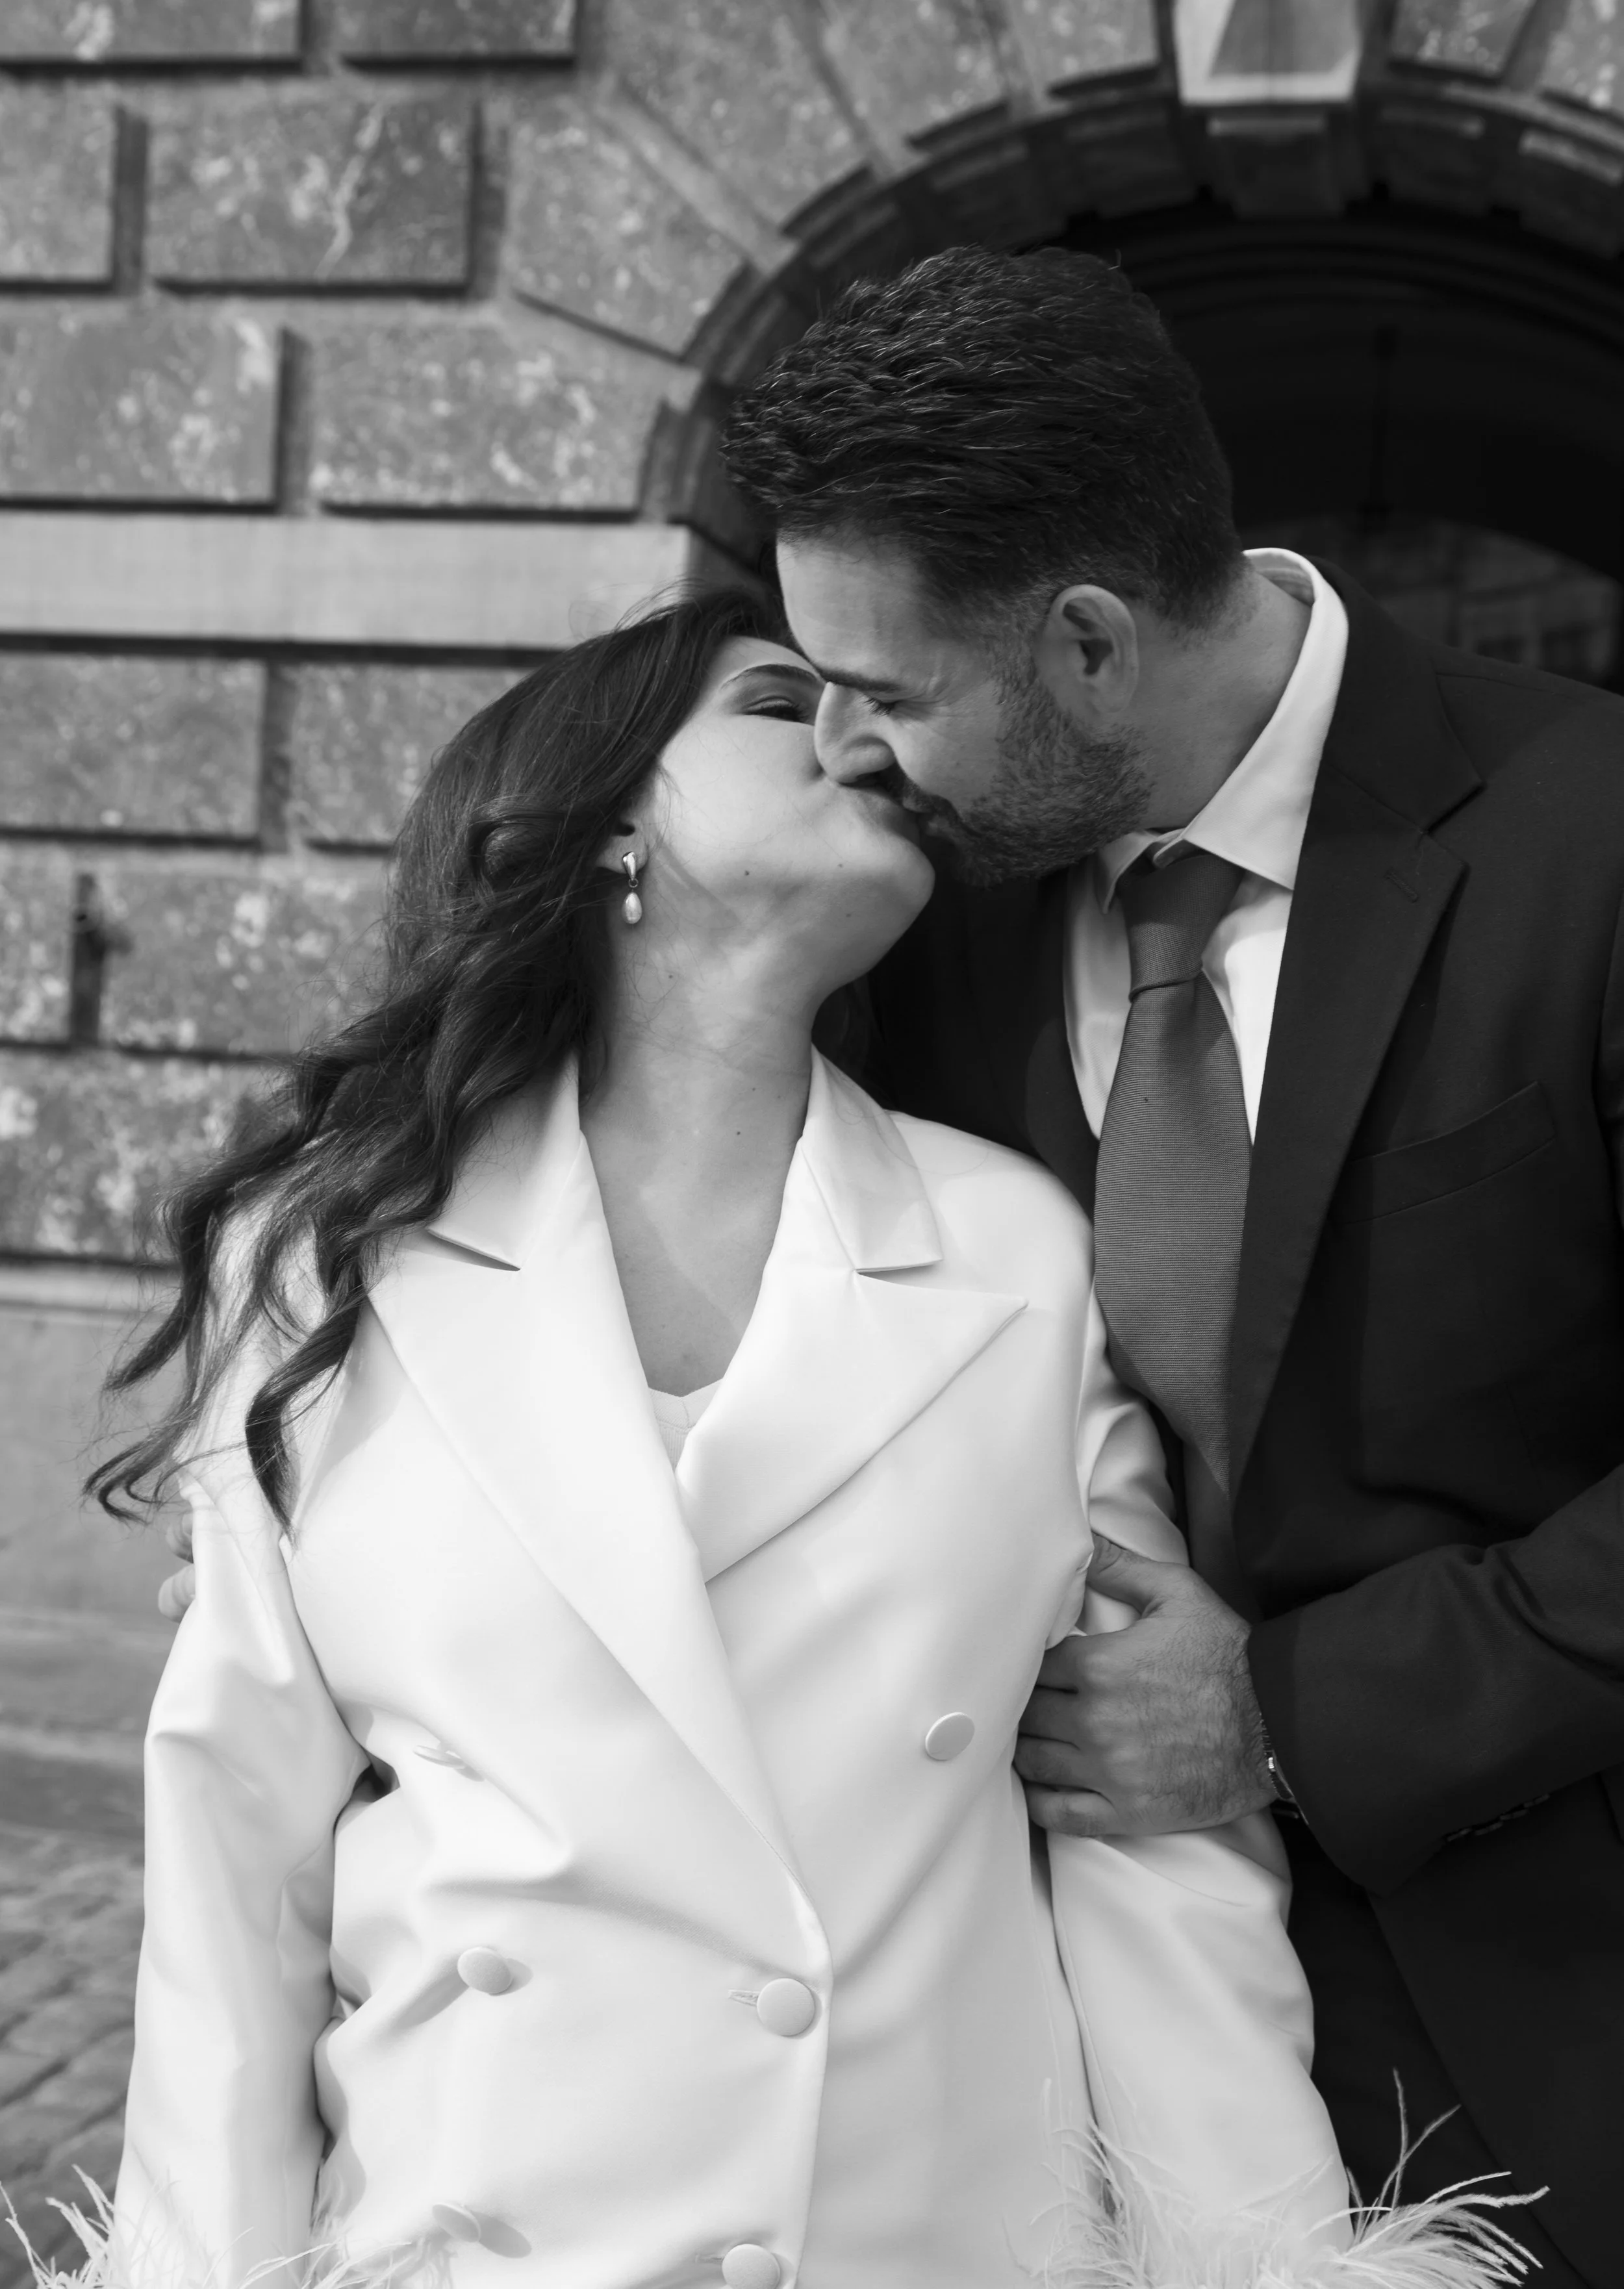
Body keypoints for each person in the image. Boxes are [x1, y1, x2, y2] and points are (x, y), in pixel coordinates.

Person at [92, 590, 1505, 2289]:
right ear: (607, 818)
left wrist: (1259, 2258)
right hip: (477, 2240)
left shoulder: (1014, 1246)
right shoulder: (333, 1259)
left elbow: (1140, 1828)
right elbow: (235, 1839)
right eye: (779, 699)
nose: (863, 731)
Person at [718, 242, 1624, 2289]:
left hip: (1537, 2020)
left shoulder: (1594, 835)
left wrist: (1289, 1716)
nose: (849, 751)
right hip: (1020, 2058)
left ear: (1091, 643)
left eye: (887, 692)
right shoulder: (915, 906)